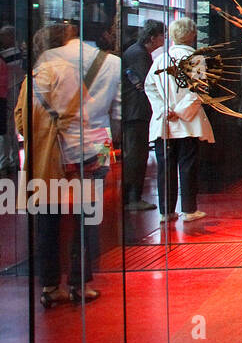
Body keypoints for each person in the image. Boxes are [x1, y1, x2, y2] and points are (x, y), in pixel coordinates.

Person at [26, 20, 121, 306]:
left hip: (54, 148)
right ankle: (81, 283)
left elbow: (27, 115)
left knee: (48, 218)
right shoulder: (112, 62)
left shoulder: (44, 67)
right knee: (87, 218)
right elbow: (117, 112)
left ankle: (50, 285)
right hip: (99, 143)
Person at [144, 17, 214, 223]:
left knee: (165, 167)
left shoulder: (161, 59)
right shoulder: (195, 58)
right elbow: (199, 90)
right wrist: (181, 111)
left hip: (164, 122)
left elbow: (150, 87)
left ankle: (166, 210)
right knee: (187, 166)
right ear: (192, 35)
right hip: (187, 123)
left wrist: (164, 110)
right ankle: (189, 209)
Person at [121, 20, 165, 210]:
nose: (164, 38)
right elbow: (147, 83)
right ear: (153, 37)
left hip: (134, 111)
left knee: (137, 153)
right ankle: (132, 198)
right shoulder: (139, 55)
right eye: (162, 35)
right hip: (136, 112)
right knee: (136, 155)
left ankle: (132, 197)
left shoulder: (136, 52)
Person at [0, 24, 23, 174]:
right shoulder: (16, 53)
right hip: (9, 92)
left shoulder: (10, 54)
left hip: (9, 92)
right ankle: (11, 159)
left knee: (7, 129)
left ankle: (7, 160)